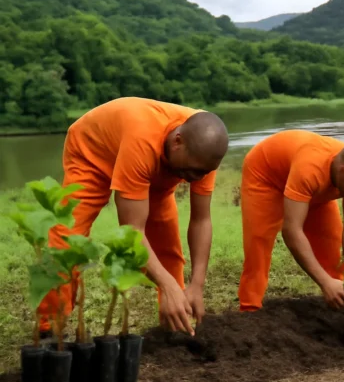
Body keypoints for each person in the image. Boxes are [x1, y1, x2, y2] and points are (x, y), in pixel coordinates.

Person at [40, 97, 229, 337]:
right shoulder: (143, 140)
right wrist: (166, 284)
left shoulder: (204, 151)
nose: (195, 177)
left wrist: (197, 285)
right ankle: (49, 328)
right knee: (66, 237)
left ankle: (176, 324)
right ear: (178, 141)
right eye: (192, 171)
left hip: (158, 165)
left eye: (203, 173)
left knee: (168, 248)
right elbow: (132, 232)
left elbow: (201, 219)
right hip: (92, 154)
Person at [237, 130, 344, 312]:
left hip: (312, 188)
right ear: (343, 173)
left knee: (331, 250)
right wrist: (323, 281)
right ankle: (250, 309)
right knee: (259, 242)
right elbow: (292, 231)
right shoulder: (311, 169)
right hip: (266, 177)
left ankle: (340, 301)